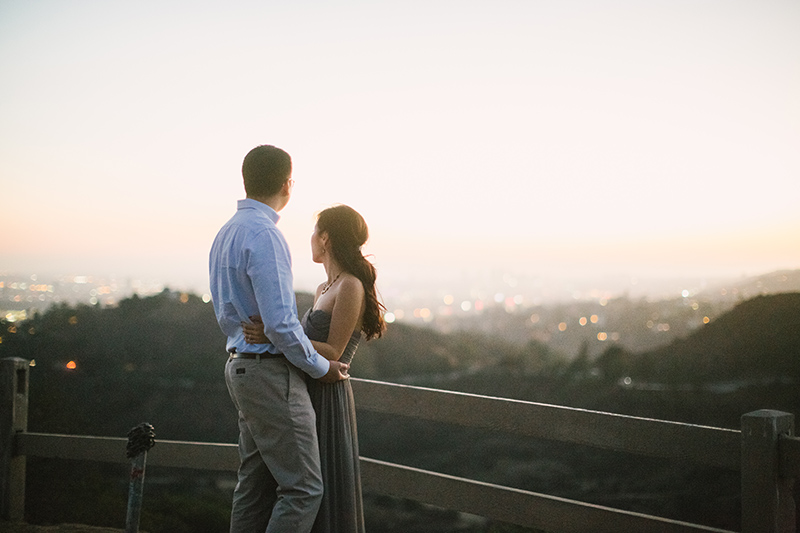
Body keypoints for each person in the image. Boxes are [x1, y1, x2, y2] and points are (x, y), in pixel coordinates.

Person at [209, 145, 350, 533]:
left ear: (246, 179)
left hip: (240, 367)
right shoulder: (266, 235)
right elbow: (282, 326)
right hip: (270, 374)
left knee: (252, 486)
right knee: (304, 488)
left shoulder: (226, 233)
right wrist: (322, 367)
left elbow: (229, 314)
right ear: (288, 184)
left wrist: (254, 332)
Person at [243, 204, 386, 533]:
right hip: (305, 391)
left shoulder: (350, 285)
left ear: (325, 239)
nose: (310, 239)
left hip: (328, 392)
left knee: (319, 486)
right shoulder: (323, 288)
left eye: (313, 232)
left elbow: (333, 351)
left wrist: (274, 335)